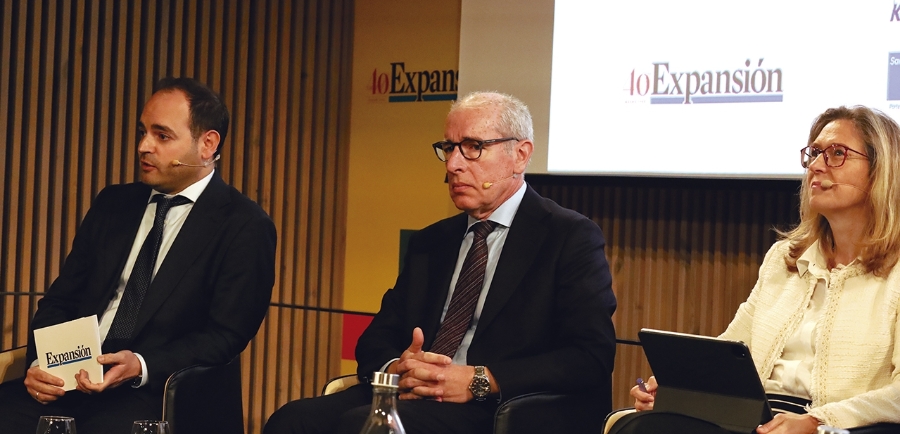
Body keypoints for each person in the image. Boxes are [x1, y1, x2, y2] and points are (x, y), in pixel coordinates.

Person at [264, 91, 617, 434]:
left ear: (520, 156)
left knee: (361, 426)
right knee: (293, 421)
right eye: (449, 148)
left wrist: (480, 379)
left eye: (474, 147)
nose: (453, 165)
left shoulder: (568, 237)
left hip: (495, 408)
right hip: (413, 394)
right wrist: (400, 368)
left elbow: (589, 356)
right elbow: (376, 339)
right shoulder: (431, 242)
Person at [0, 78, 277, 433]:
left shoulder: (244, 225)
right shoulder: (113, 204)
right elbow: (61, 299)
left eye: (162, 136)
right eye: (142, 132)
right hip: (72, 379)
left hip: (154, 391)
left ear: (207, 144)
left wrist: (141, 365)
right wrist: (41, 364)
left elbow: (225, 335)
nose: (143, 146)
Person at [621, 105, 900, 434]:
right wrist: (680, 388)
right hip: (759, 417)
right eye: (813, 154)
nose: (817, 166)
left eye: (837, 153)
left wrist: (818, 422)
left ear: (882, 169)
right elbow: (731, 350)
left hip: (838, 426)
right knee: (638, 425)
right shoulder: (785, 259)